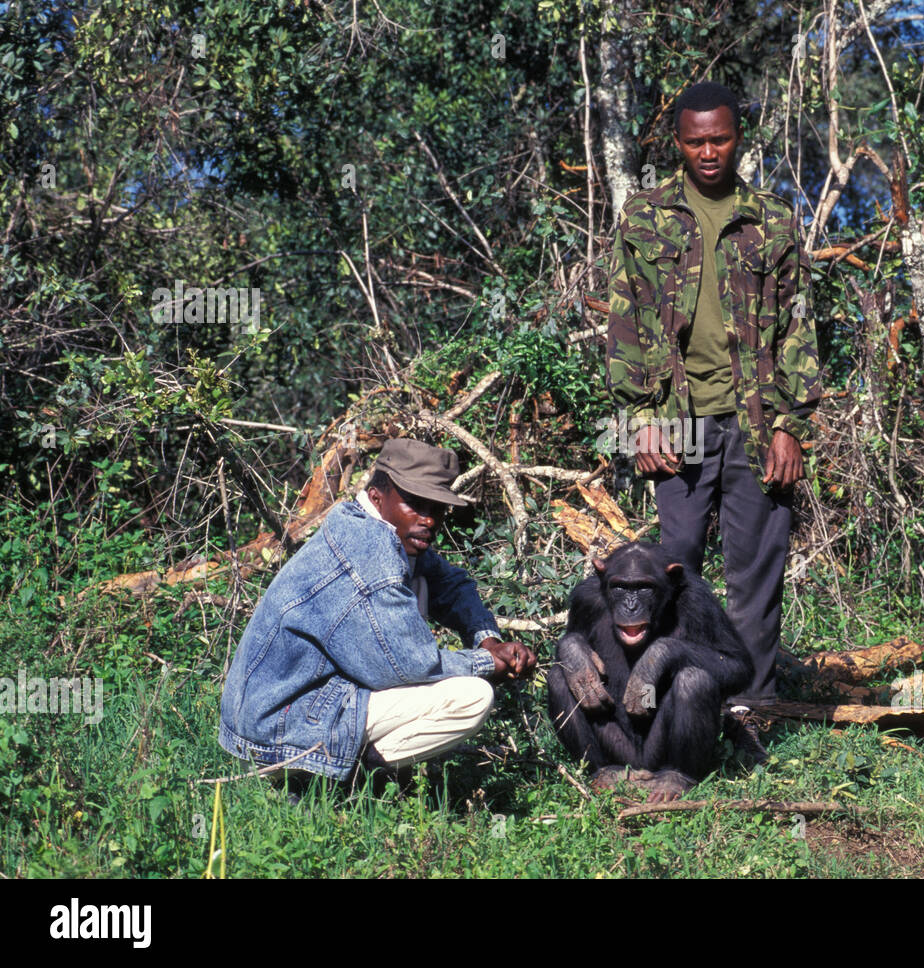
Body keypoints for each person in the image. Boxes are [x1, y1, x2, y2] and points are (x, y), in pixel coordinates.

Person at [606, 81, 822, 706]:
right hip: (677, 424)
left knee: (756, 576)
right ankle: (673, 705)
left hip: (755, 424)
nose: (709, 151)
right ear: (677, 143)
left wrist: (791, 426)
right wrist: (641, 420)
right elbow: (625, 325)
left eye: (720, 139)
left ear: (739, 139)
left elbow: (798, 327)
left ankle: (749, 712)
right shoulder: (644, 217)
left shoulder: (772, 218)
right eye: (696, 140)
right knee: (671, 571)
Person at [219, 438, 536, 789]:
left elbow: (452, 584)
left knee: (424, 583)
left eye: (438, 507)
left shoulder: (373, 527)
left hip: (273, 716)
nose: (429, 519)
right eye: (415, 504)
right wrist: (489, 663)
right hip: (277, 730)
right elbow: (413, 667)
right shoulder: (371, 554)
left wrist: (487, 638)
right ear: (377, 496)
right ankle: (345, 781)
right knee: (473, 698)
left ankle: (340, 771)